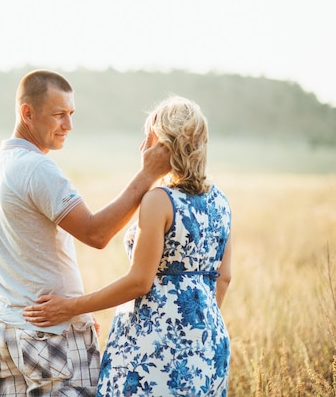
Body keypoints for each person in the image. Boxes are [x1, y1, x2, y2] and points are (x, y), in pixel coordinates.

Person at [0, 69, 171, 396]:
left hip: (3, 331)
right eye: (59, 115)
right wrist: (148, 174)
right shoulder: (37, 167)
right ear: (27, 113)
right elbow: (96, 233)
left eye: (71, 114)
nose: (69, 125)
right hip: (49, 335)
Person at [23, 95, 233, 396]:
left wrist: (70, 307)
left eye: (147, 137)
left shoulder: (160, 200)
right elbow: (223, 278)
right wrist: (196, 329)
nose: (141, 147)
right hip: (209, 339)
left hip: (153, 344)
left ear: (162, 144)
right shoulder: (220, 201)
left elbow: (139, 281)